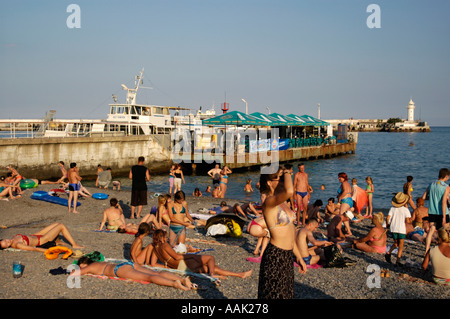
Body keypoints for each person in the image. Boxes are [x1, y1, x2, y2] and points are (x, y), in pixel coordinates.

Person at [258, 166, 307, 300]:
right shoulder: (269, 202)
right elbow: (290, 191)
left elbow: (291, 232)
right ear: (269, 182)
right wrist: (286, 171)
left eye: (282, 179)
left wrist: (299, 257)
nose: (282, 182)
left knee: (286, 294)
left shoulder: (284, 203)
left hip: (287, 255)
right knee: (274, 294)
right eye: (278, 179)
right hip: (275, 255)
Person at [150, 229, 252, 280]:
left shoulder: (155, 248)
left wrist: (167, 266)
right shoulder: (165, 245)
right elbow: (176, 257)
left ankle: (240, 274)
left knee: (212, 267)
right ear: (161, 237)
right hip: (184, 263)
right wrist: (190, 255)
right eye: (165, 237)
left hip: (180, 268)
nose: (166, 238)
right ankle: (212, 275)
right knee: (210, 258)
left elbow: (153, 264)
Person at [74, 255, 193, 291]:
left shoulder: (90, 267)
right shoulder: (99, 263)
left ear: (84, 263)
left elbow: (74, 274)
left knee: (149, 277)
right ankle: (183, 279)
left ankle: (175, 284)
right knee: (155, 272)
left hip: (118, 270)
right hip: (127, 264)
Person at [0, 222, 84, 252]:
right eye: (7, 244)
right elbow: (34, 249)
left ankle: (57, 241)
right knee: (61, 226)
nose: (8, 241)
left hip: (36, 235)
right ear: (7, 247)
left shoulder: (13, 238)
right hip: (43, 240)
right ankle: (74, 244)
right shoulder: (18, 245)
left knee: (57, 223)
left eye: (5, 240)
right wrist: (50, 250)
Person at [422, 168, 450, 255]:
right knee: (446, 231)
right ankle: (445, 251)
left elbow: (423, 197)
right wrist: (444, 217)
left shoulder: (431, 184)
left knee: (431, 231)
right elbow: (444, 202)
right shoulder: (446, 187)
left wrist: (432, 199)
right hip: (442, 212)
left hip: (432, 211)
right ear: (446, 176)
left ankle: (427, 251)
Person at [385, 192, 412, 266]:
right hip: (401, 229)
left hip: (393, 228)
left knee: (396, 243)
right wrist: (412, 220)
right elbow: (408, 221)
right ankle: (398, 261)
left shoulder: (392, 208)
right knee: (401, 245)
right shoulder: (405, 210)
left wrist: (388, 225)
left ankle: (388, 252)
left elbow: (388, 218)